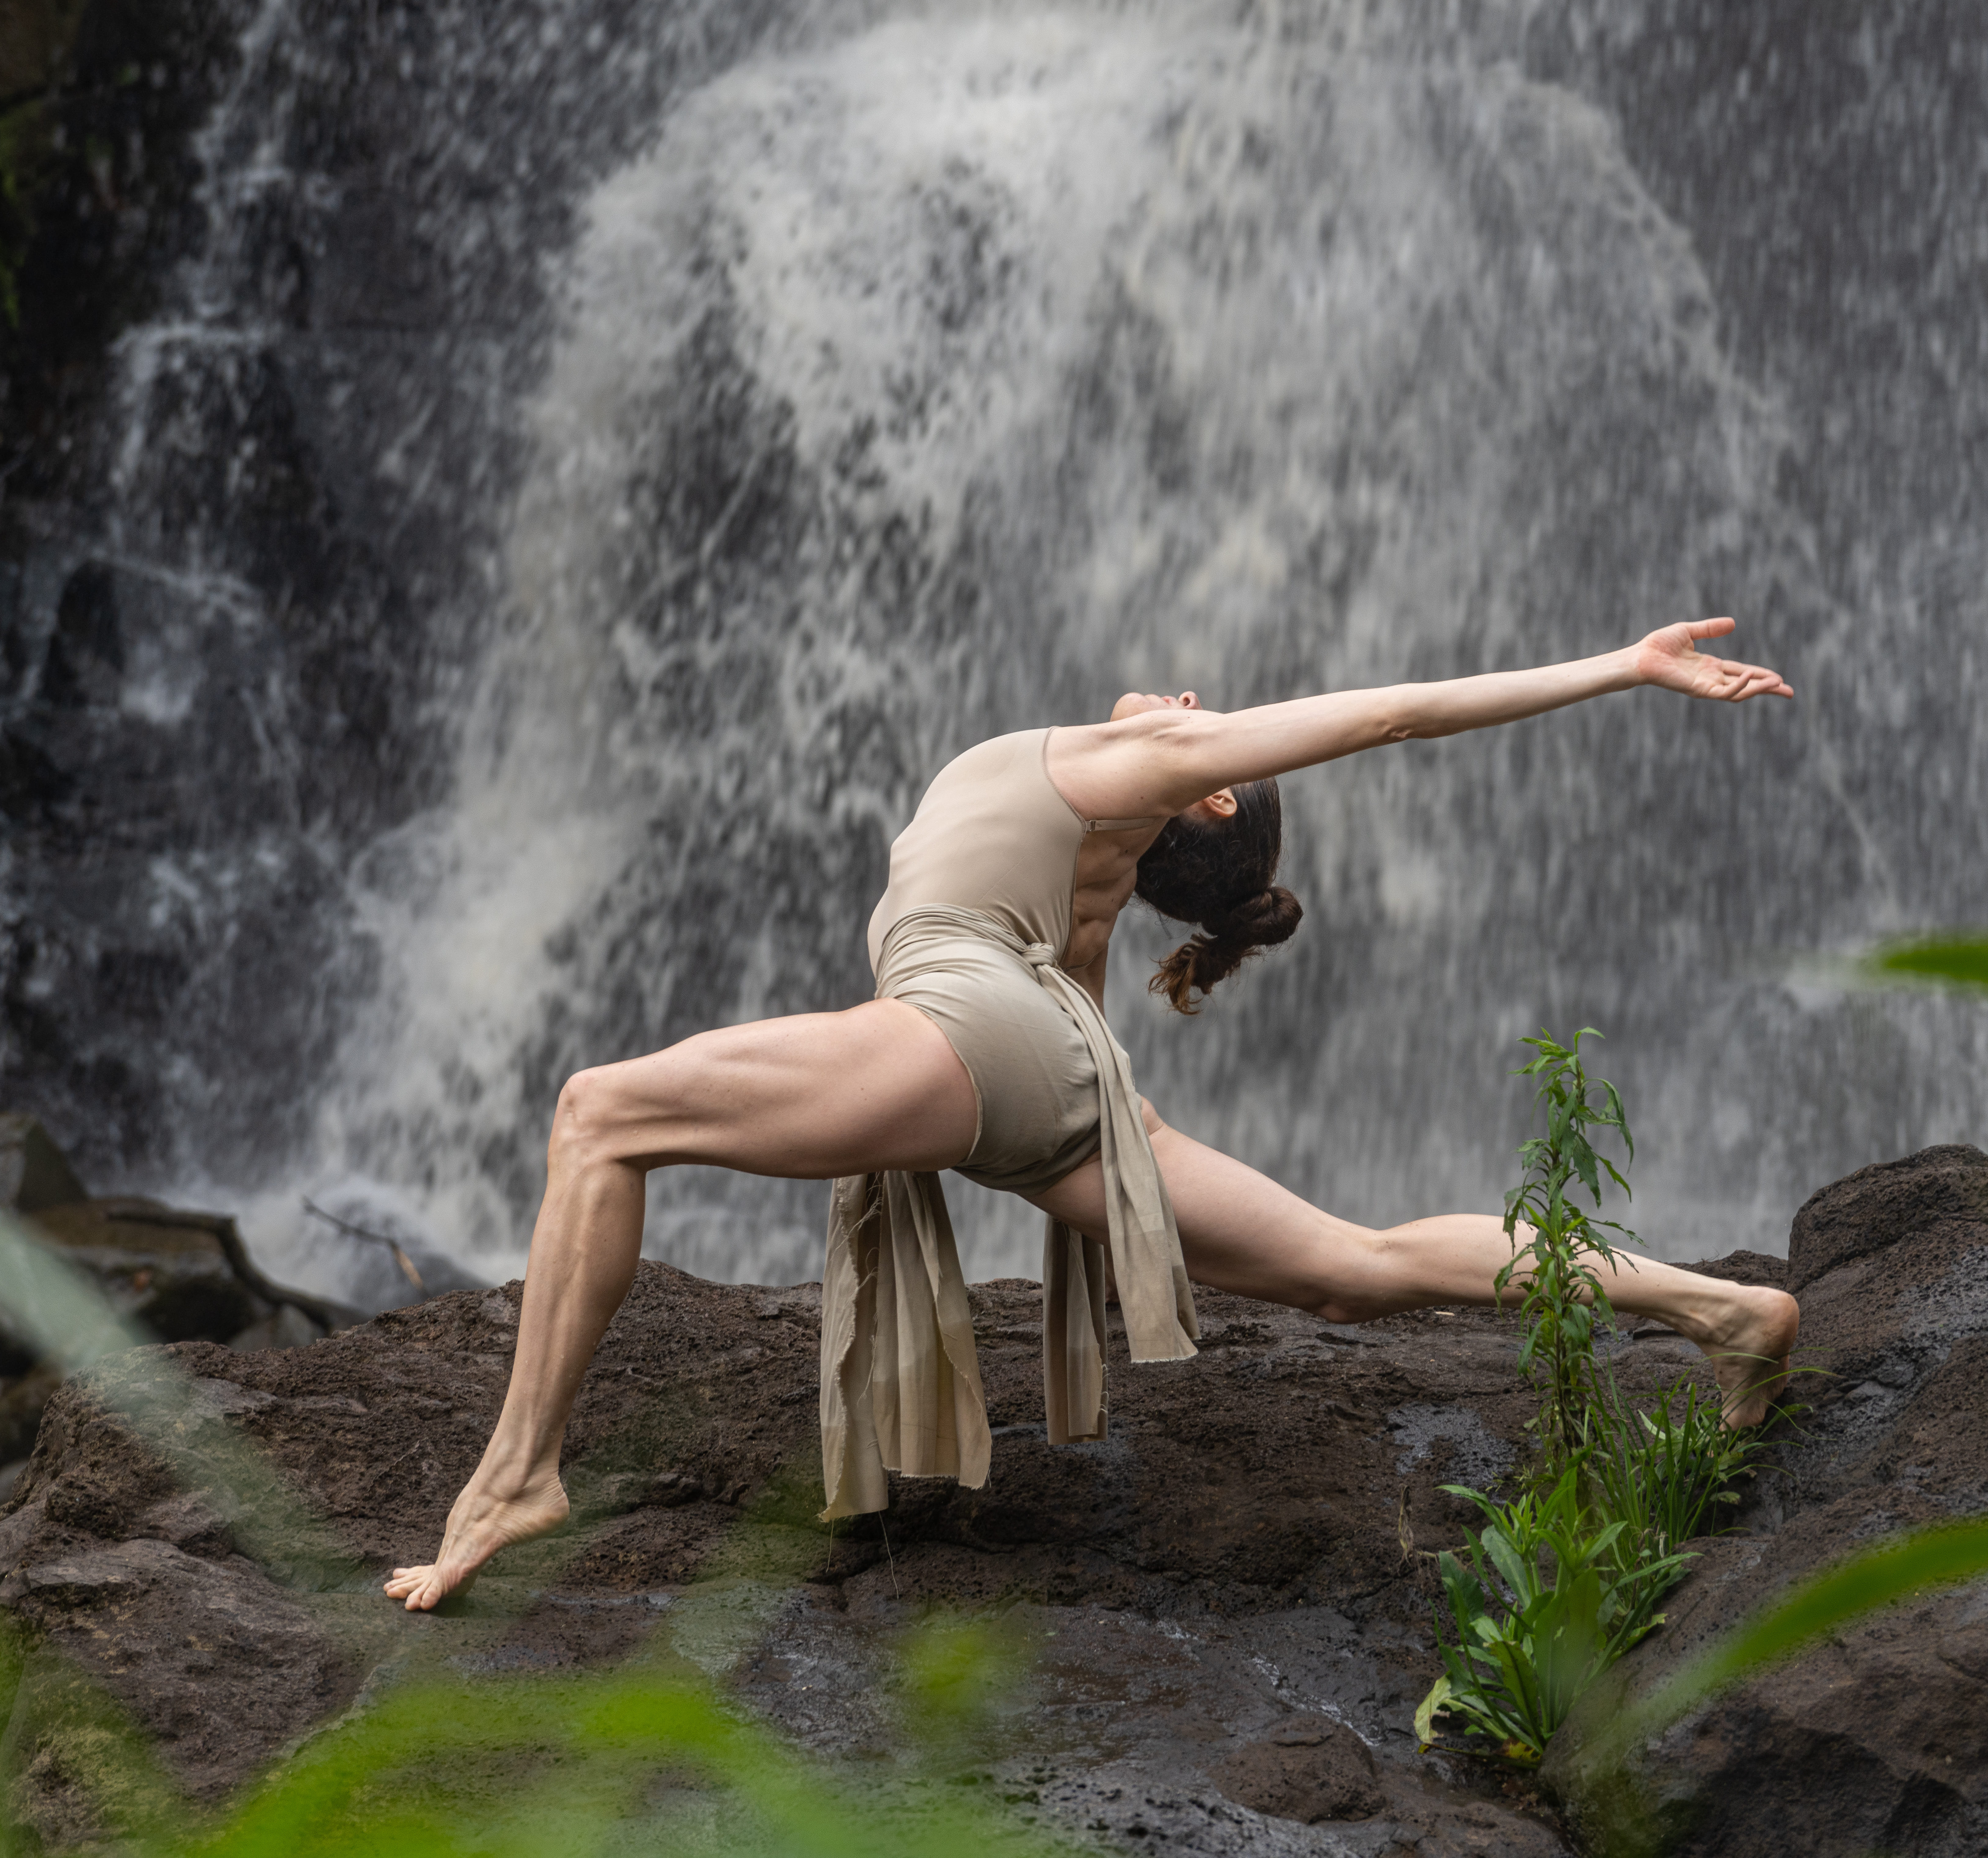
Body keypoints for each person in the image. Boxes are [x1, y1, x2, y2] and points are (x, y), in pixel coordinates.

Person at [386, 618, 1800, 1610]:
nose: (1185, 697)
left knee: (600, 1113)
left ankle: (518, 1476)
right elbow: (1068, 1016)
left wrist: (1626, 667)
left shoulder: (1124, 774)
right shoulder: (1097, 867)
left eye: (1201, 721)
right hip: (1059, 1070)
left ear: (1212, 784)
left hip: (973, 1028)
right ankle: (1718, 1313)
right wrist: (1110, 1111)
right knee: (1351, 1272)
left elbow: (1393, 714)